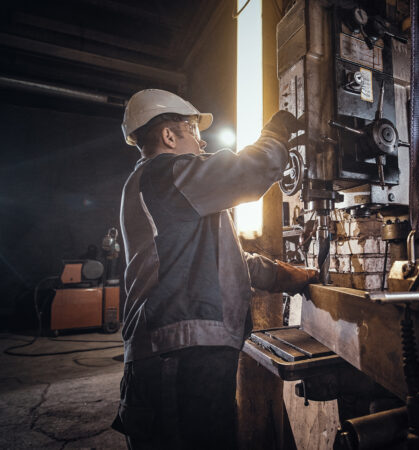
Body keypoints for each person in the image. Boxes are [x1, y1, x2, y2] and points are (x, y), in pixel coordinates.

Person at [111, 88, 318, 449]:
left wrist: (282, 276)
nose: (201, 140)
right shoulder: (163, 174)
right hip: (175, 355)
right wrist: (275, 135)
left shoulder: (176, 193)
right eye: (192, 129)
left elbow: (223, 260)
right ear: (168, 136)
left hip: (184, 355)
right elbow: (247, 172)